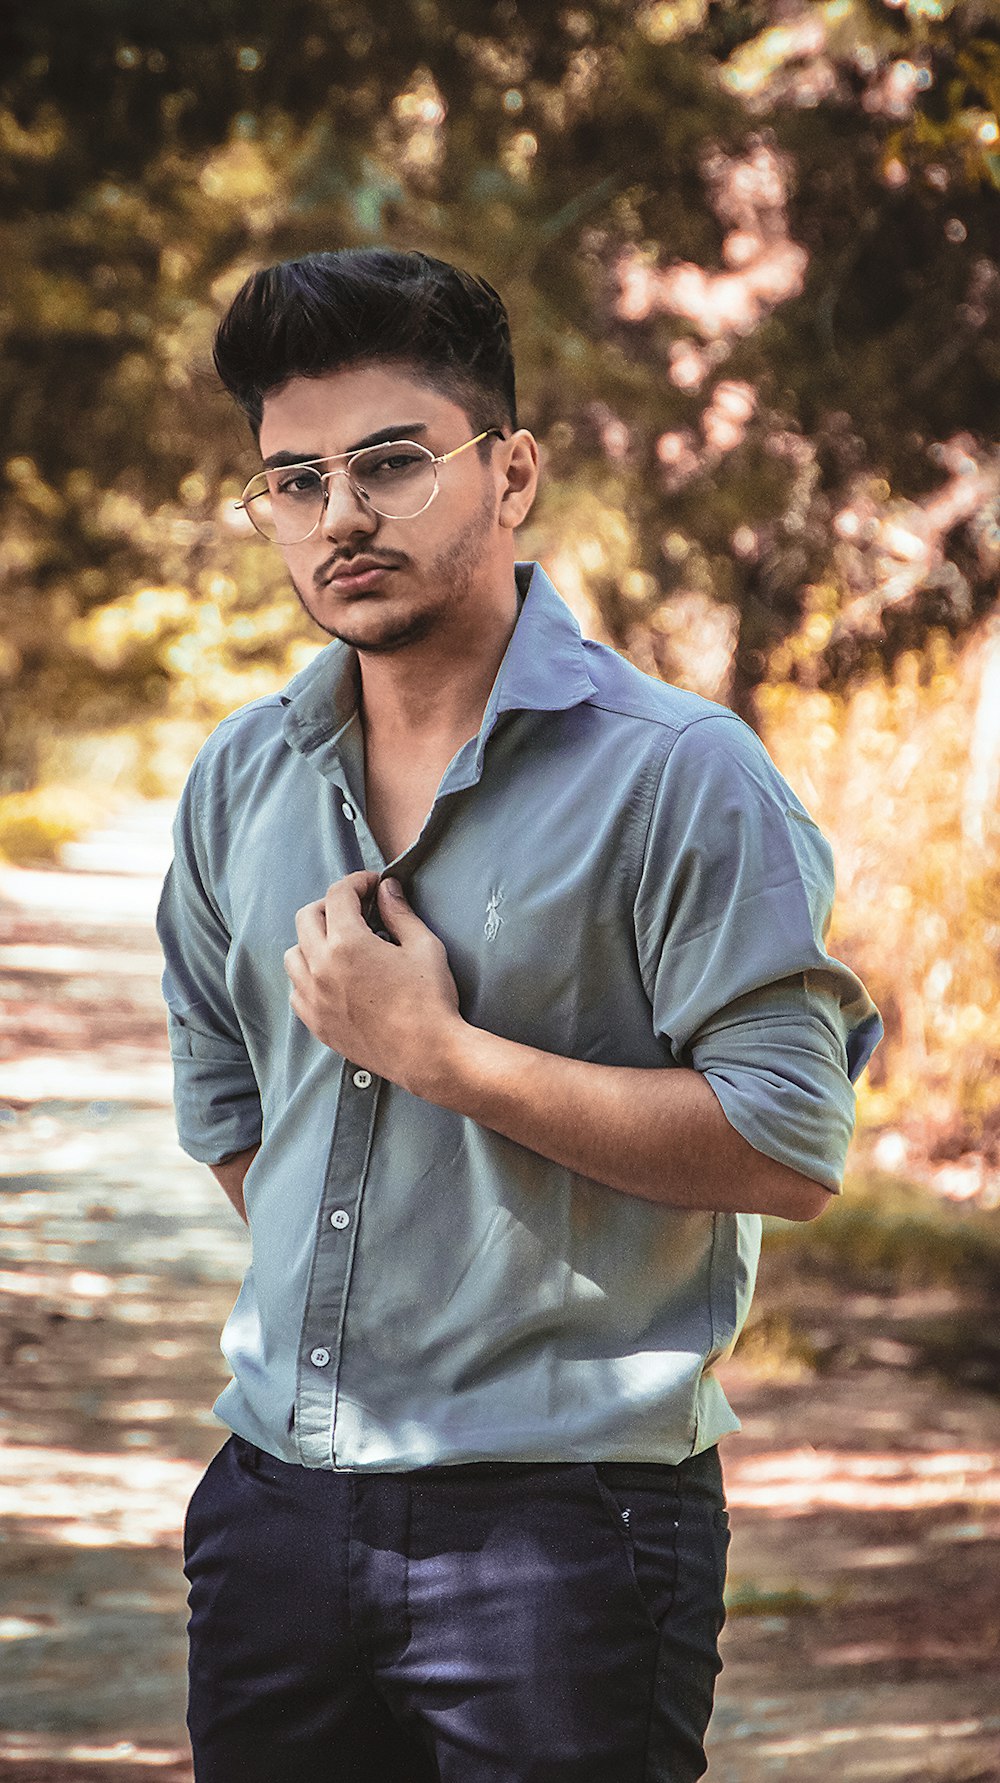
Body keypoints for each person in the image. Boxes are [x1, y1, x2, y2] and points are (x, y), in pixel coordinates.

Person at [156, 247, 882, 1783]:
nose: (341, 515)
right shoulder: (241, 776)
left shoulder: (680, 774)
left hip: (569, 1534)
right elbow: (234, 1112)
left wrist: (446, 1061)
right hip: (276, 1515)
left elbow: (787, 1144)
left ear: (514, 473)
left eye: (392, 463)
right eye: (292, 480)